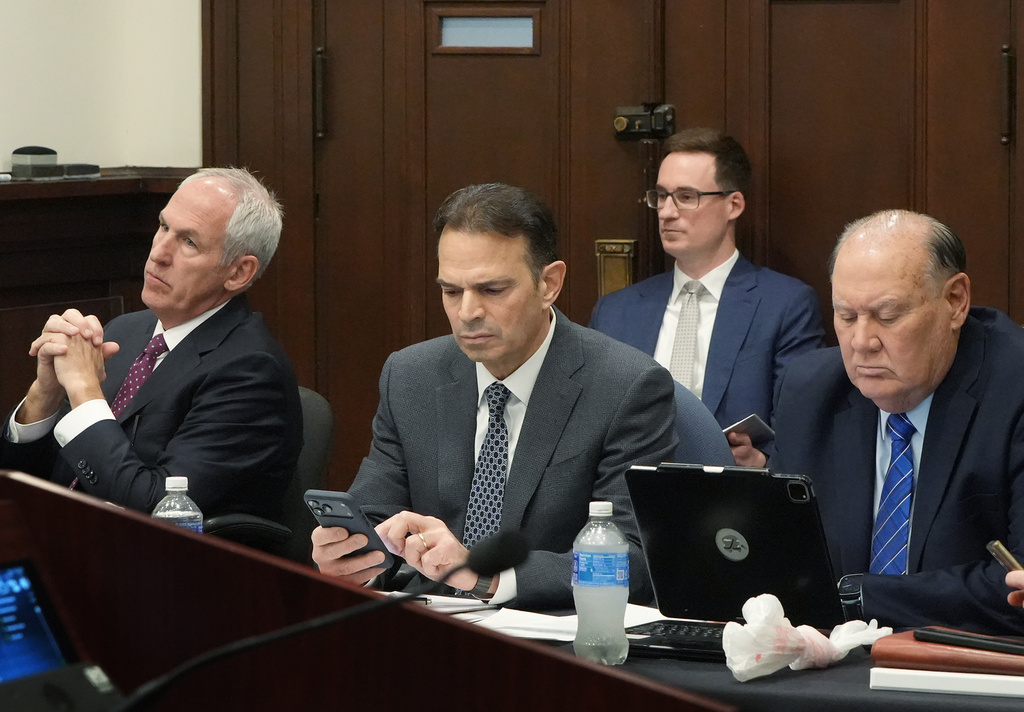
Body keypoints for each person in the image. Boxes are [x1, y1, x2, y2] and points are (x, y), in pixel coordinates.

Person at [311, 183, 676, 610]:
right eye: (451, 291)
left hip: (555, 642)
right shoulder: (411, 376)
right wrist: (353, 555)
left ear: (549, 284)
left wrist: (487, 576)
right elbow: (376, 513)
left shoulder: (625, 387)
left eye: (492, 290)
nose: (467, 312)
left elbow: (635, 556)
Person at [770, 209, 1024, 634]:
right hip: (831, 665)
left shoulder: (1014, 387)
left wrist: (856, 596)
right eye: (845, 316)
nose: (862, 342)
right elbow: (778, 559)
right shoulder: (811, 391)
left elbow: (1017, 588)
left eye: (888, 316)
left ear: (956, 301)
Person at [0, 167, 302, 521]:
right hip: (55, 541)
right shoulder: (125, 332)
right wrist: (44, 395)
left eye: (189, 242)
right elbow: (17, 483)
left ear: (238, 273)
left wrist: (83, 390)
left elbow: (160, 509)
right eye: (163, 227)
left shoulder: (250, 372)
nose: (159, 252)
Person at [589, 127, 824, 465]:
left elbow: (805, 425)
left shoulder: (784, 305)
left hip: (732, 501)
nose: (667, 212)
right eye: (661, 196)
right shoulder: (616, 311)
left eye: (686, 197)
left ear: (733, 204)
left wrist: (763, 461)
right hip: (629, 498)